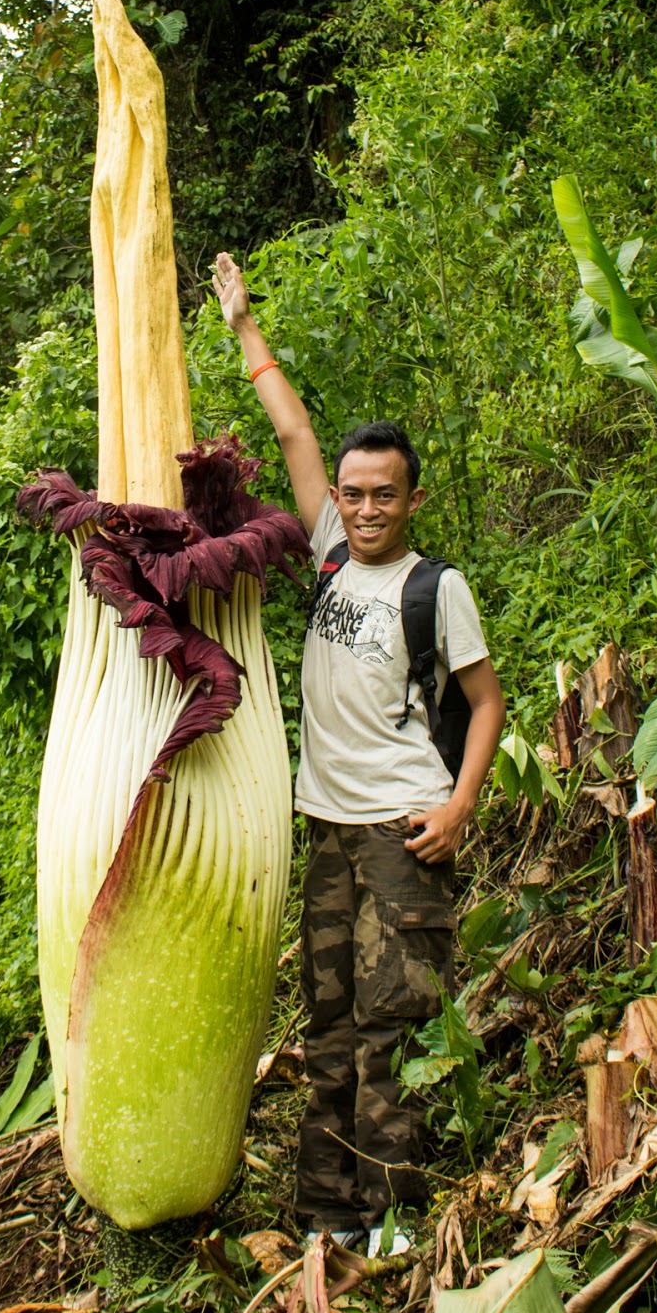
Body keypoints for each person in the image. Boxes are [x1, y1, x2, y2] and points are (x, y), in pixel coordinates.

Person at [212, 252, 506, 1255]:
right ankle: (327, 1212)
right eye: (354, 492)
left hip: (401, 828)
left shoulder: (437, 587)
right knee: (329, 1020)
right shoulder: (331, 548)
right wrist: (246, 328)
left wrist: (458, 809)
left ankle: (391, 1212)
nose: (369, 507)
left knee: (396, 1020)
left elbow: (485, 701)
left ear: (411, 498)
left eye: (385, 494)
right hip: (329, 830)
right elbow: (290, 427)